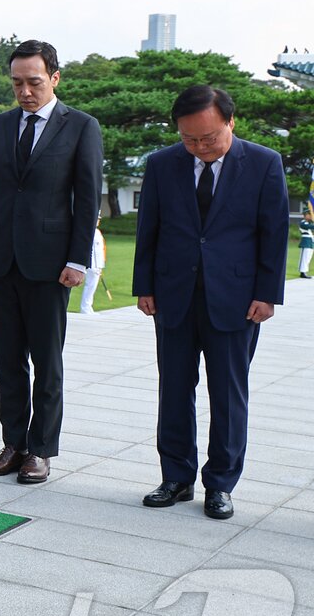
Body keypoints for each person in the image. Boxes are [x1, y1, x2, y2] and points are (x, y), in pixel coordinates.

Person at [134, 85, 289, 520]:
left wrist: (267, 294)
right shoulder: (163, 164)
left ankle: (220, 483)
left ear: (230, 123)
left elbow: (274, 235)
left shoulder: (263, 163)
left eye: (208, 138)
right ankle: (176, 477)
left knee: (228, 393)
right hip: (173, 296)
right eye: (189, 139)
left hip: (237, 300)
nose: (199, 147)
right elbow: (150, 228)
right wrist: (145, 286)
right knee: (174, 388)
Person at [0, 40, 102, 484]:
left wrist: (78, 260)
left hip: (50, 265)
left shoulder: (81, 127)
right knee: (7, 360)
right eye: (17, 83)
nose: (24, 91)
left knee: (47, 362)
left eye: (34, 82)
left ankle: (41, 449)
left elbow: (87, 200)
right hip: (1, 262)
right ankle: (13, 443)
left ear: (55, 78)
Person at [79, 214, 106, 313]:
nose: (98, 221)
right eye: (97, 219)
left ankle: (88, 307)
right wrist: (94, 265)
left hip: (97, 265)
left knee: (91, 286)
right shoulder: (89, 231)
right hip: (91, 265)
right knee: (89, 285)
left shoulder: (97, 232)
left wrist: (101, 265)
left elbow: (101, 250)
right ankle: (85, 308)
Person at [299, 206, 313, 278]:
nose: (310, 215)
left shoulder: (309, 223)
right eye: (309, 214)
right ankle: (302, 272)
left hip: (310, 242)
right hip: (306, 242)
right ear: (305, 215)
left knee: (308, 257)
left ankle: (305, 271)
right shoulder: (303, 222)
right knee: (304, 258)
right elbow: (310, 227)